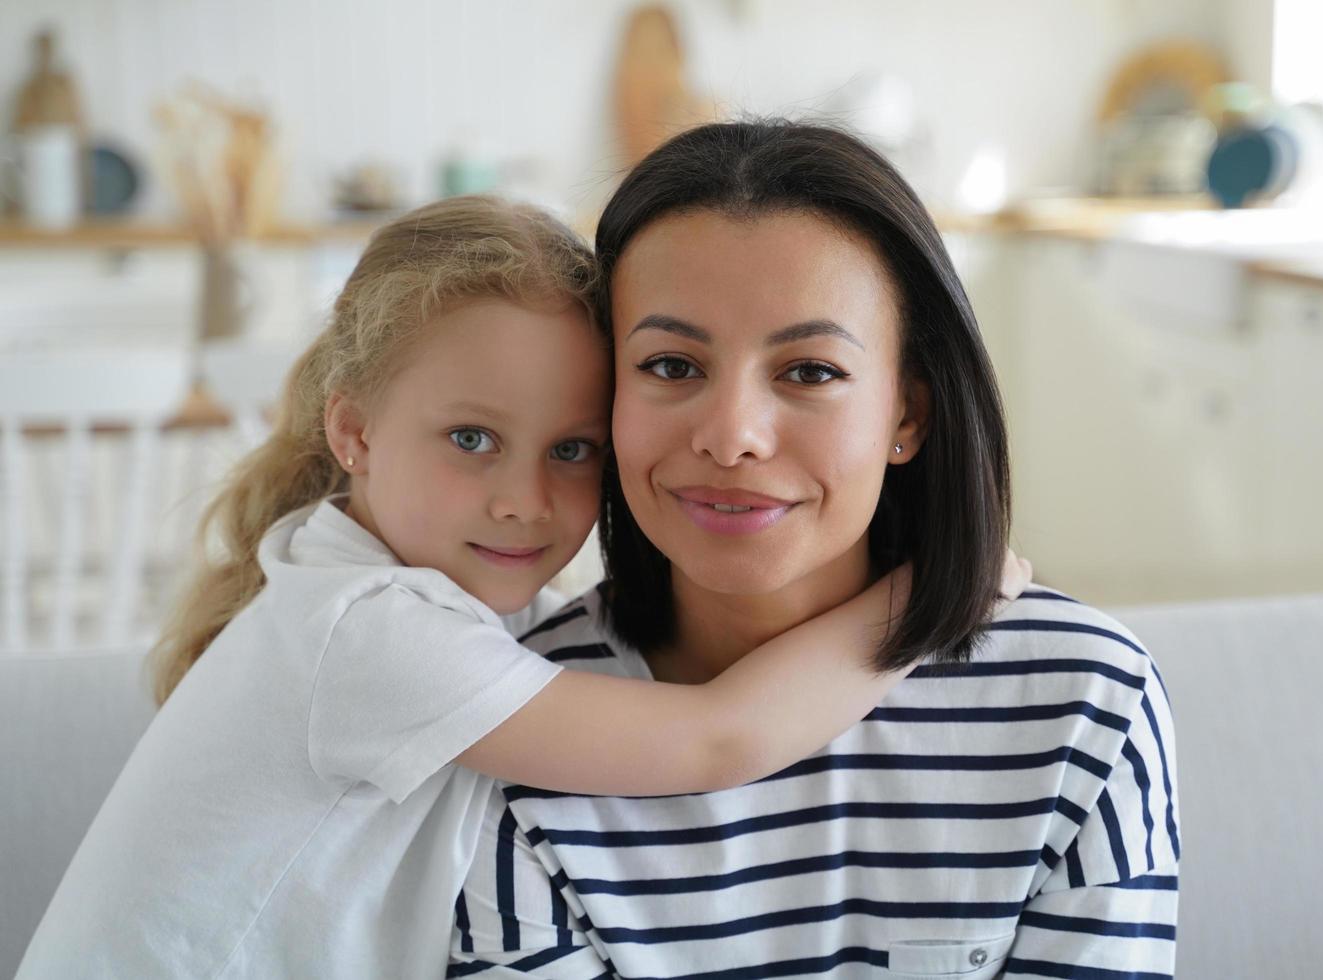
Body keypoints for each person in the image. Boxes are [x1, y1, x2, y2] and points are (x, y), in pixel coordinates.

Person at [17, 196, 1028, 980]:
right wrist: (929, 593)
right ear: (354, 431)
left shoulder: (414, 608)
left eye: (572, 448)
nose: (523, 501)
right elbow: (718, 737)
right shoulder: (366, 632)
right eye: (472, 439)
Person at [449, 122, 1180, 978]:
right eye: (673, 365)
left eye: (810, 371)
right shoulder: (512, 729)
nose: (732, 438)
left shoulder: (1085, 702)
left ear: (907, 414)